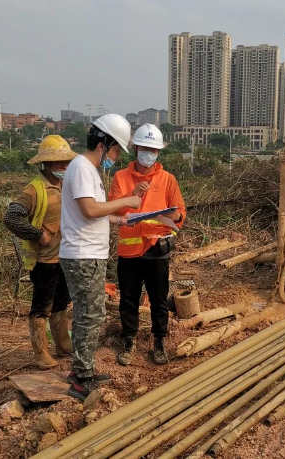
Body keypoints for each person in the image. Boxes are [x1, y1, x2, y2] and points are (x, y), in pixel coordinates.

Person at [59, 114, 142, 401]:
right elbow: (90, 211)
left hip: (88, 254)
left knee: (89, 314)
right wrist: (128, 201)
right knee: (90, 315)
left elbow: (95, 214)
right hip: (83, 256)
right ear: (103, 144)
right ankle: (82, 378)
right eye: (116, 150)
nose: (116, 157)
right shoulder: (82, 167)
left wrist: (119, 221)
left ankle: (83, 370)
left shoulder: (89, 170)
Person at [109, 123, 186, 366]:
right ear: (136, 148)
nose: (150, 153)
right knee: (129, 299)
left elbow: (180, 212)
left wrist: (175, 217)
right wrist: (132, 195)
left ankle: (159, 342)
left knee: (159, 299)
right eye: (146, 148)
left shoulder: (167, 179)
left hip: (157, 249)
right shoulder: (121, 177)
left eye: (154, 149)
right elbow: (112, 210)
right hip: (130, 252)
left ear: (158, 152)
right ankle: (129, 340)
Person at [3, 135, 77, 369]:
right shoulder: (34, 190)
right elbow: (12, 217)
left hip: (65, 256)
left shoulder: (65, 185)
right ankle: (41, 352)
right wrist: (37, 234)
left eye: (67, 162)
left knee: (62, 303)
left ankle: (63, 344)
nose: (65, 167)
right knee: (41, 306)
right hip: (44, 260)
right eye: (60, 163)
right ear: (46, 164)